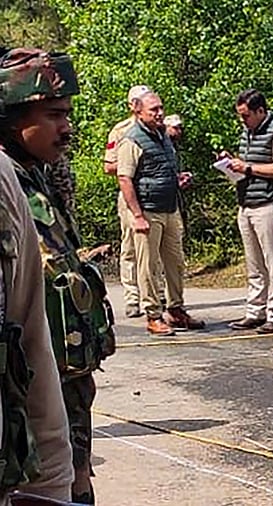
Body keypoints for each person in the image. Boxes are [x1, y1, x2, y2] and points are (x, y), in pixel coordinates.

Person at [0, 47, 105, 504]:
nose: (67, 128)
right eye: (54, 115)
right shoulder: (11, 187)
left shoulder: (42, 178)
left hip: (63, 412)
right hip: (31, 428)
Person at [116, 91, 204, 336]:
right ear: (138, 111)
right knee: (148, 265)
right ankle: (153, 314)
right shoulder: (131, 139)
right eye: (153, 109)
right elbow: (125, 178)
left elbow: (159, 170)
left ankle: (176, 309)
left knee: (175, 262)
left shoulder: (163, 136)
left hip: (169, 208)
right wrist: (138, 215)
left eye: (161, 108)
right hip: (148, 211)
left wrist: (177, 180)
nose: (159, 113)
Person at [222, 89, 273, 334]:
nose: (243, 121)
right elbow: (247, 163)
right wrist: (231, 163)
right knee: (254, 264)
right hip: (246, 203)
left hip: (268, 203)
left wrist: (248, 168)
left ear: (260, 111)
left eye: (246, 116)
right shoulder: (247, 132)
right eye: (240, 116)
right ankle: (255, 310)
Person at [104, 85, 154, 319]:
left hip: (154, 196)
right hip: (129, 194)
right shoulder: (120, 130)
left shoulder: (157, 127)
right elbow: (108, 166)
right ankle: (133, 297)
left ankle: (154, 294)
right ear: (132, 105)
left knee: (155, 246)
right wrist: (131, 163)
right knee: (130, 247)